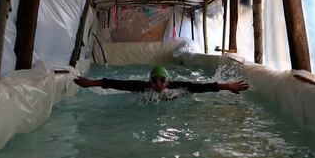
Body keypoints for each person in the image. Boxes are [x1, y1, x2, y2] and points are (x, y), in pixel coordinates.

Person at [73, 65, 249, 94]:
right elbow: (117, 84)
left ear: (168, 81)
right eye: (154, 81)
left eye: (161, 80)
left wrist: (227, 86)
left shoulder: (178, 86)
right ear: (149, 81)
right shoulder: (143, 87)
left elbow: (201, 87)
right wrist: (91, 83)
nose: (158, 85)